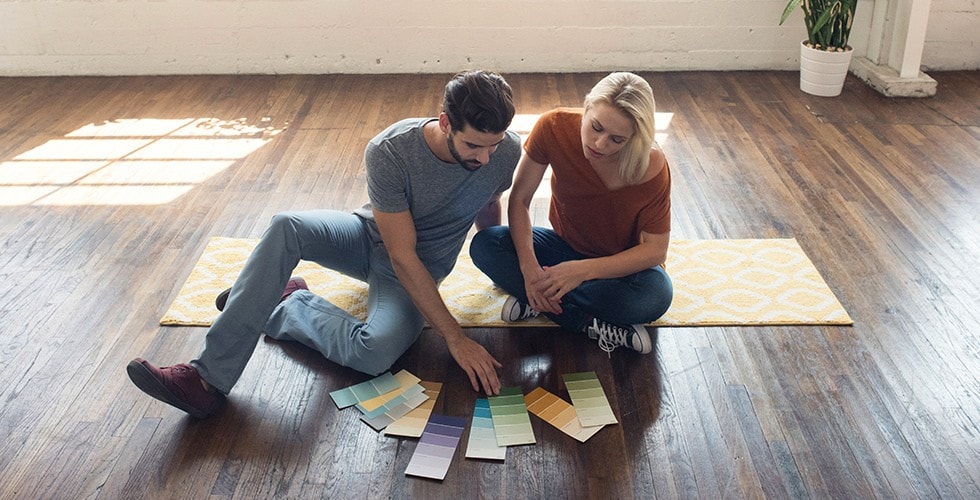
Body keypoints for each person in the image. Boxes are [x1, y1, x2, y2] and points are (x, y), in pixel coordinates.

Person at [128, 70, 521, 418]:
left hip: (421, 265)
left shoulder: (505, 152)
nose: (486, 158)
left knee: (373, 353)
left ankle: (283, 302)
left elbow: (489, 200)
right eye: (473, 146)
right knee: (287, 226)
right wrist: (455, 337)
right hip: (371, 238)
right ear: (446, 122)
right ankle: (205, 379)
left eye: (493, 145)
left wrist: (499, 263)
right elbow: (400, 253)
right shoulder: (391, 151)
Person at [470, 72, 672, 355]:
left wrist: (581, 272)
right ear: (586, 107)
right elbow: (520, 201)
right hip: (563, 250)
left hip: (618, 268)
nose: (600, 144)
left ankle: (540, 302)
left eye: (617, 140)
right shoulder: (553, 126)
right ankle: (586, 321)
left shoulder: (651, 166)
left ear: (636, 138)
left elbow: (655, 252)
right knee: (486, 244)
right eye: (596, 127)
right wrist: (529, 270)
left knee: (656, 295)